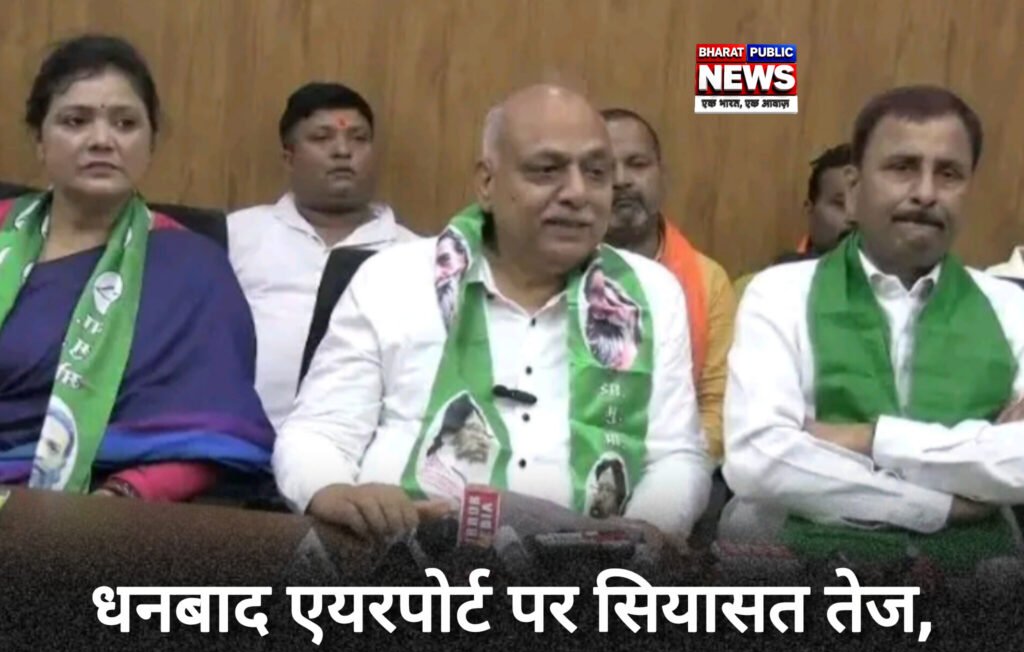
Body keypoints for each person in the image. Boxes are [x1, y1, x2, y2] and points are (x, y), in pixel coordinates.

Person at [274, 84, 711, 543]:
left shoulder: (650, 294)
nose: (578, 193)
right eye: (547, 170)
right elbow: (319, 432)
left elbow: (675, 458)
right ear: (487, 183)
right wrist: (334, 491)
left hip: (587, 566)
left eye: (596, 173)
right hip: (400, 553)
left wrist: (637, 539)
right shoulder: (393, 279)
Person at [722, 85, 1024, 567]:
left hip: (980, 575)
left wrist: (869, 439)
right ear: (854, 189)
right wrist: (938, 505)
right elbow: (759, 460)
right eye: (902, 167)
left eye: (949, 174)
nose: (926, 193)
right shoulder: (780, 293)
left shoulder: (1010, 307)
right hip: (811, 569)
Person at [0, 35, 272, 500]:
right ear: (40, 141)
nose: (101, 140)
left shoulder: (192, 270)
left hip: (88, 513)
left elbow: (208, 436)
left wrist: (123, 497)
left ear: (149, 144)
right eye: (75, 121)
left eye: (125, 123)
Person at [229, 82, 419, 429]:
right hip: (241, 444)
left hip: (365, 449)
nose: (343, 151)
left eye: (359, 138)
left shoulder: (416, 256)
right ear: (289, 157)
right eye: (322, 138)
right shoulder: (237, 236)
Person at [601, 107, 735, 460]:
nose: (621, 180)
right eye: (603, 168)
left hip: (677, 461)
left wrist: (668, 467)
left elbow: (716, 406)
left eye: (637, 164)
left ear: (662, 176)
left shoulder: (708, 280)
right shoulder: (551, 268)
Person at [733, 144, 854, 299]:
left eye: (866, 206)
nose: (854, 217)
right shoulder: (758, 289)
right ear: (810, 209)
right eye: (840, 203)